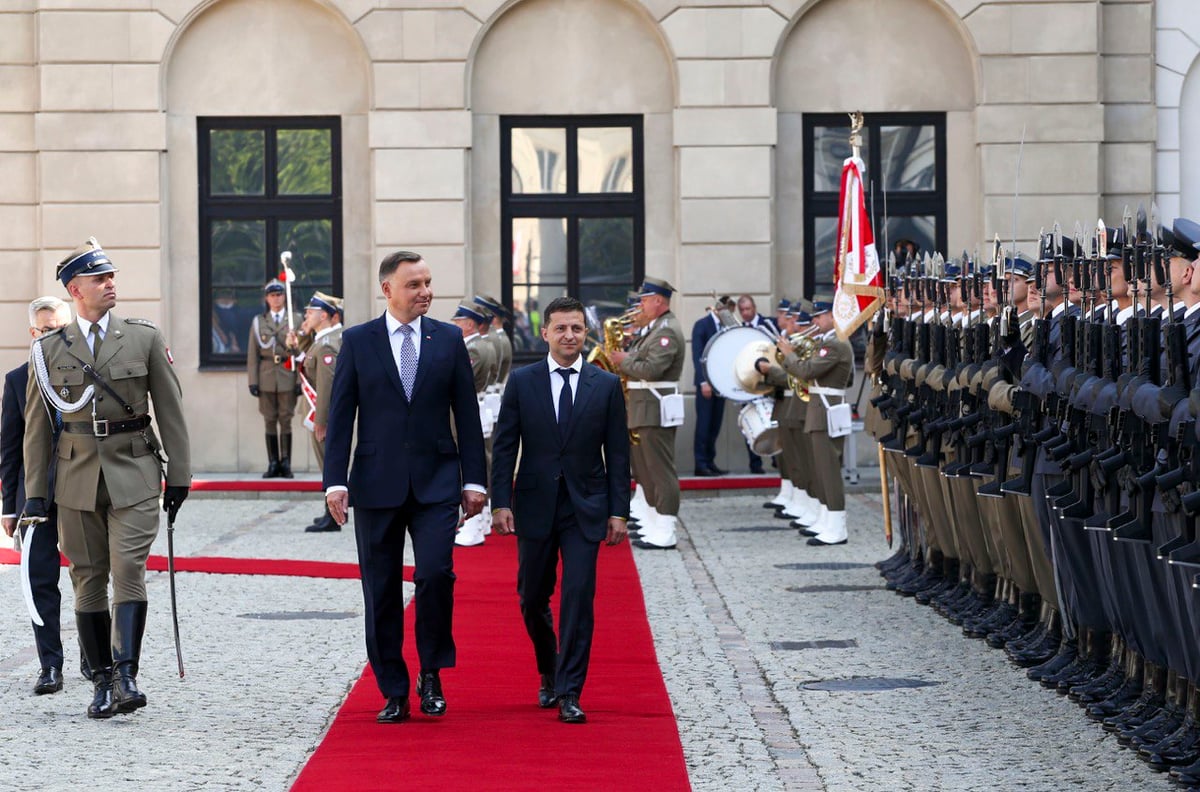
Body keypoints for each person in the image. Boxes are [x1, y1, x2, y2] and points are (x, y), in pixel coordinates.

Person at [23, 237, 191, 719]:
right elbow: (37, 427)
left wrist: (179, 475)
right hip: (76, 478)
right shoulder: (50, 349)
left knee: (128, 570)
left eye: (112, 276)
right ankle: (100, 680)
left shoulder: (142, 337)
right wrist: (36, 495)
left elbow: (171, 409)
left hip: (134, 471)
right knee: (88, 580)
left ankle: (126, 675)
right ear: (75, 289)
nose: (110, 283)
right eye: (99, 278)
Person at [323, 250, 487, 724]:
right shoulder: (358, 341)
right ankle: (393, 688)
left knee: (435, 574)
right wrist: (335, 483)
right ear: (387, 289)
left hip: (437, 482)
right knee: (380, 589)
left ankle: (431, 672)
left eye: (429, 282)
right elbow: (341, 419)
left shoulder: (449, 339)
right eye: (414, 284)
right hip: (375, 484)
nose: (426, 292)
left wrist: (474, 480)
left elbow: (468, 416)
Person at [491, 296, 631, 724]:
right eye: (561, 329)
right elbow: (504, 446)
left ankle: (570, 690)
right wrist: (500, 502)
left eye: (577, 329)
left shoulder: (605, 386)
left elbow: (619, 453)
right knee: (532, 598)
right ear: (546, 333)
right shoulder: (523, 381)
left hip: (586, 507)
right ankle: (549, 669)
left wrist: (619, 511)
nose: (569, 336)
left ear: (584, 333)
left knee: (578, 597)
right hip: (534, 505)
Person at [1, 296, 78, 695]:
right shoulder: (17, 379)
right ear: (34, 334)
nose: (54, 337)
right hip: (36, 497)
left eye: (61, 329)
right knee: (40, 581)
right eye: (46, 331)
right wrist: (8, 508)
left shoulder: (87, 374)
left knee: (88, 577)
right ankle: (50, 666)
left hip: (81, 488)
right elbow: (10, 449)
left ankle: (93, 656)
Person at [771, 295, 853, 546]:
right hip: (820, 409)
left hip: (826, 409)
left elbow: (807, 371)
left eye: (819, 316)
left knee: (828, 471)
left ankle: (837, 525)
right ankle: (828, 519)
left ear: (832, 315)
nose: (814, 321)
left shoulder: (836, 343)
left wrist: (788, 355)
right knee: (820, 469)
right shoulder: (827, 342)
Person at [610, 277, 686, 550]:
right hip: (645, 406)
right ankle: (655, 522)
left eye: (644, 299)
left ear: (658, 301)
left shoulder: (666, 332)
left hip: (655, 406)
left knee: (660, 470)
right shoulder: (655, 329)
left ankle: (665, 529)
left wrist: (624, 360)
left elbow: (652, 369)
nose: (640, 305)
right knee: (646, 469)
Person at [287, 291, 344, 533]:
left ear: (324, 315)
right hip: (321, 414)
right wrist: (297, 340)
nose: (306, 316)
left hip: (324, 416)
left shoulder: (328, 344)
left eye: (310, 313)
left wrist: (322, 421)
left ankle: (333, 515)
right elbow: (308, 363)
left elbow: (326, 387)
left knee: (329, 464)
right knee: (328, 463)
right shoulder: (322, 340)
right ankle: (332, 511)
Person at [449, 300, 499, 547]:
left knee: (468, 464)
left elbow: (461, 383)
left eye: (458, 321)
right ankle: (483, 518)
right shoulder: (482, 345)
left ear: (469, 324)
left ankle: (473, 525)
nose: (455, 325)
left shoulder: (474, 350)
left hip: (468, 409)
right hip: (479, 406)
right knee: (481, 461)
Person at [247, 279, 301, 479]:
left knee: (286, 420)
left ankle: (286, 463)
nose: (276, 298)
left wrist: (299, 382)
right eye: (272, 295)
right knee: (269, 420)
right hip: (266, 375)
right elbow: (252, 354)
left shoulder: (295, 319)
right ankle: (273, 463)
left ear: (284, 296)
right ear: (266, 298)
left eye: (279, 295)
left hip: (288, 373)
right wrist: (253, 381)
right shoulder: (259, 321)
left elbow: (300, 352)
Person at [691, 296, 734, 477]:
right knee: (704, 424)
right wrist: (703, 382)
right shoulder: (702, 325)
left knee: (715, 425)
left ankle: (710, 461)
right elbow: (698, 355)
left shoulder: (726, 327)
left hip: (720, 383)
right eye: (727, 310)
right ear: (719, 309)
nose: (730, 314)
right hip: (706, 383)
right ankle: (700, 463)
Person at [737, 295, 778, 474]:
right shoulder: (737, 330)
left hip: (768, 380)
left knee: (774, 419)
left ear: (754, 308)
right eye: (742, 310)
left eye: (748, 309)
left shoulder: (768, 324)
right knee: (751, 423)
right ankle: (755, 463)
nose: (745, 313)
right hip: (748, 381)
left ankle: (778, 459)